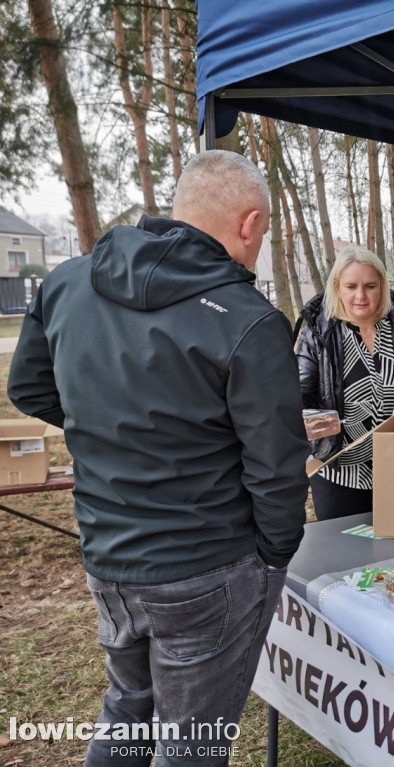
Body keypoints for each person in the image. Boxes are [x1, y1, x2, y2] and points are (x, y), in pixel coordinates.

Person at [7, 150, 310, 765]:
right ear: (248, 224)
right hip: (208, 565)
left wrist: (111, 426)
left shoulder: (66, 283)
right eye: (264, 234)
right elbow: (276, 466)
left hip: (109, 553)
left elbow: (30, 388)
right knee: (190, 745)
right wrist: (274, 558)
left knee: (127, 707)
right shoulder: (250, 322)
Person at [296, 245, 394, 520]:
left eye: (370, 285)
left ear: (382, 285)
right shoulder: (318, 335)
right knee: (346, 559)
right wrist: (334, 427)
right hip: (338, 476)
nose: (360, 295)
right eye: (351, 286)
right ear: (337, 287)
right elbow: (296, 405)